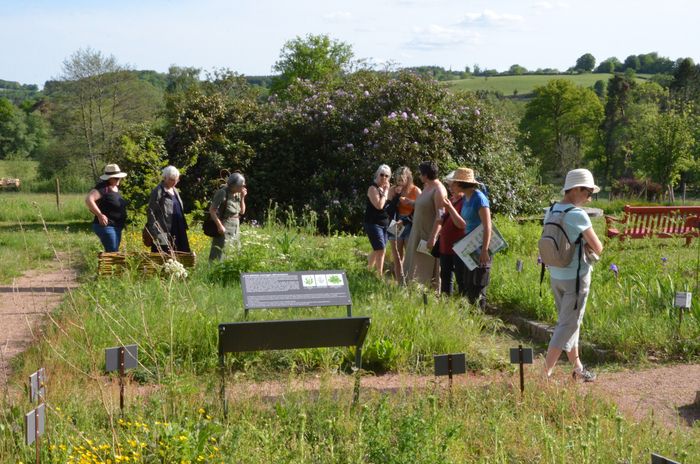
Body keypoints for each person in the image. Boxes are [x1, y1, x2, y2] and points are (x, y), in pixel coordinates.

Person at [544, 168, 603, 382]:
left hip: (556, 275)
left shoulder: (551, 210)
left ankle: (578, 368)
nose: (589, 197)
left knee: (569, 323)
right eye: (588, 192)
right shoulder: (577, 214)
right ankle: (544, 374)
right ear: (577, 189)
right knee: (567, 325)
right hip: (575, 279)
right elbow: (598, 247)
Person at [445, 168, 492, 309]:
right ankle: (470, 319)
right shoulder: (466, 198)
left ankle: (479, 320)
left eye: (454, 183)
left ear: (461, 184)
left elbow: (487, 225)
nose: (451, 186)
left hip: (480, 247)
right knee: (467, 283)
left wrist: (484, 250)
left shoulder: (479, 198)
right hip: (469, 245)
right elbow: (465, 223)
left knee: (478, 285)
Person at [403, 161, 447, 288]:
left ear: (426, 175)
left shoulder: (439, 190)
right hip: (417, 234)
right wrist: (410, 203)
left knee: (425, 269)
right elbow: (423, 205)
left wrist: (433, 237)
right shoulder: (427, 186)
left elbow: (440, 217)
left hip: (427, 236)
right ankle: (413, 294)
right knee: (414, 267)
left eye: (421, 174)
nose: (420, 176)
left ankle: (429, 299)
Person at [386, 166, 421, 283]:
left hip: (410, 222)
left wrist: (406, 220)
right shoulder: (393, 190)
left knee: (410, 255)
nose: (399, 182)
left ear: (408, 178)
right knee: (397, 255)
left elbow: (420, 210)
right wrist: (396, 196)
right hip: (395, 222)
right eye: (397, 179)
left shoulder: (415, 190)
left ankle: (410, 281)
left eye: (402, 179)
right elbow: (388, 211)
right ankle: (400, 283)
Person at [146, 165, 190, 254]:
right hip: (163, 230)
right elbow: (151, 211)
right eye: (171, 179)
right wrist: (154, 231)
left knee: (181, 252)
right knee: (164, 253)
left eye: (176, 180)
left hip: (179, 227)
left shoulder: (175, 190)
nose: (174, 182)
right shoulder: (158, 191)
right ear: (165, 178)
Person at [85, 164, 128, 252]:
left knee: (113, 252)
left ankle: (107, 265)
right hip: (107, 226)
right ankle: (107, 266)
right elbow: (89, 199)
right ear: (109, 178)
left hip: (116, 226)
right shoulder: (103, 188)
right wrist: (100, 215)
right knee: (112, 252)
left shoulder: (115, 188)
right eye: (116, 178)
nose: (118, 179)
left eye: (119, 177)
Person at [437, 170, 467, 296]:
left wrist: (449, 208)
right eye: (449, 185)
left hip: (458, 247)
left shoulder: (464, 201)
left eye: (452, 185)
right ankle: (445, 306)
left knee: (461, 280)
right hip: (445, 246)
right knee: (445, 278)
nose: (450, 189)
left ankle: (461, 306)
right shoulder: (451, 200)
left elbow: (461, 224)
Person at [208, 172, 247, 261]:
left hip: (235, 227)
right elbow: (212, 210)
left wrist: (242, 197)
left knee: (234, 252)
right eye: (242, 185)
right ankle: (214, 272)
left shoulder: (238, 193)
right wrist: (219, 225)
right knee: (219, 253)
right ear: (234, 185)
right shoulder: (222, 192)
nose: (243, 187)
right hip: (224, 227)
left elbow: (242, 211)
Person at [364, 164, 392, 274]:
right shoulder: (372, 188)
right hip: (373, 223)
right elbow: (379, 206)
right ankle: (379, 275)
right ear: (377, 174)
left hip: (384, 223)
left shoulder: (384, 188)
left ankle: (368, 271)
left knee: (378, 249)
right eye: (382, 175)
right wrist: (386, 192)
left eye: (387, 176)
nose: (384, 178)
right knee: (381, 249)